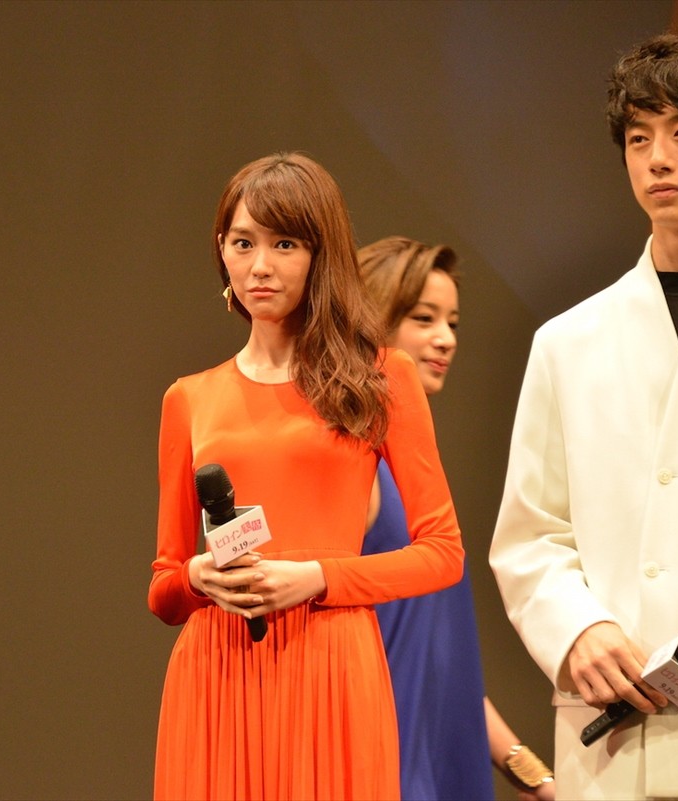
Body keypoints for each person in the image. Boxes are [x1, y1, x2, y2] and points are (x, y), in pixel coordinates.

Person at [489, 31, 678, 799]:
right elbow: (531, 533)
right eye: (639, 139)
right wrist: (576, 628)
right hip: (615, 740)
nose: (657, 159)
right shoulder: (569, 340)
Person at [148, 152, 464, 800]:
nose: (260, 265)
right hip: (217, 674)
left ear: (322, 254)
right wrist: (198, 576)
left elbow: (443, 554)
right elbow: (164, 588)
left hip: (331, 664)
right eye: (243, 243)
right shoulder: (188, 397)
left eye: (284, 244)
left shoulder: (383, 376)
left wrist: (317, 578)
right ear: (222, 252)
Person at [358, 236, 554, 800]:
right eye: (423, 319)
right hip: (381, 773)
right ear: (370, 324)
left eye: (452, 322)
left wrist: (537, 779)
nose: (445, 338)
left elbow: (441, 666)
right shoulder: (353, 464)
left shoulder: (414, 475)